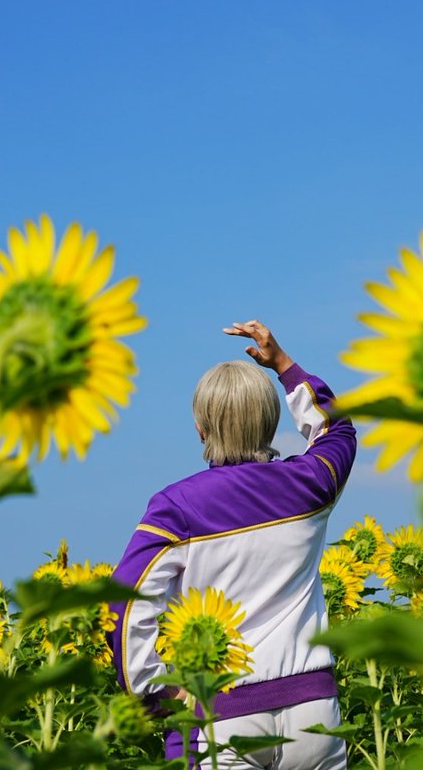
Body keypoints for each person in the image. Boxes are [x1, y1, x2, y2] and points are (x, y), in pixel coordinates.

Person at [108, 320, 356, 769]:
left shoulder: (175, 508)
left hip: (223, 716)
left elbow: (122, 605)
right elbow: (337, 430)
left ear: (201, 428)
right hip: (315, 714)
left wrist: (155, 692)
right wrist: (282, 364)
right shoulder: (311, 484)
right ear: (271, 422)